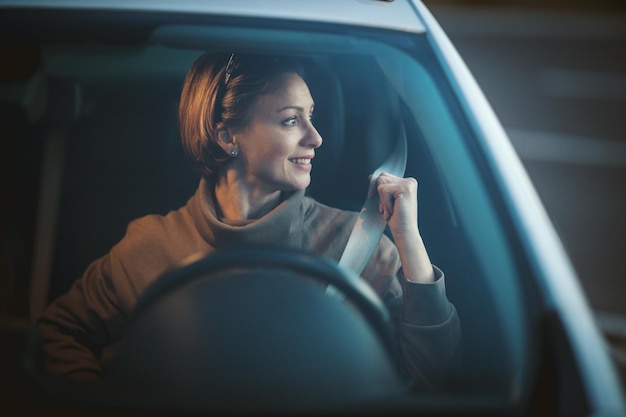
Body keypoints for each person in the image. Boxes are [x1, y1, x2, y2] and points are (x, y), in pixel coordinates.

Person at [37, 53, 462, 391]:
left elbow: (428, 378)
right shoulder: (148, 246)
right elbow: (56, 335)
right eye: (291, 119)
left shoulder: (361, 245)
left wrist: (407, 238)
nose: (316, 137)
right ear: (227, 135)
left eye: (312, 116)